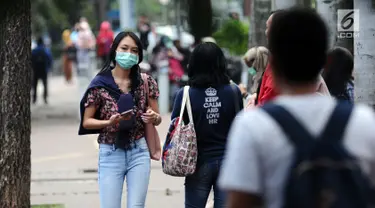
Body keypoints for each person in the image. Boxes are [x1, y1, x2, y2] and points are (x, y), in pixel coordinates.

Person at [219, 8, 375, 208]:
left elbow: (240, 202)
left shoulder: (252, 126)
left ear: (272, 65)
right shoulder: (364, 122)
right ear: (325, 62)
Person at [78, 31, 161, 208]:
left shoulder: (145, 82)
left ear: (139, 55)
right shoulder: (100, 84)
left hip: (139, 151)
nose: (129, 54)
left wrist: (154, 117)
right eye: (124, 48)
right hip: (110, 152)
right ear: (114, 49)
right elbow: (87, 121)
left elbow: (158, 118)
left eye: (134, 50)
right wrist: (109, 122)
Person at [171, 42, 243, 208]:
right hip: (228, 162)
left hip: (197, 163)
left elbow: (175, 127)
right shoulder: (233, 91)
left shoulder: (186, 94)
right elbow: (240, 124)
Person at [31, 37, 53, 104]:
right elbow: (50, 59)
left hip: (36, 70)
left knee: (35, 85)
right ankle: (45, 98)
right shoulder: (45, 50)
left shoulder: (34, 51)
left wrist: (32, 67)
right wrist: (48, 68)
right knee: (45, 85)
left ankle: (34, 99)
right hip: (44, 70)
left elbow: (30, 59)